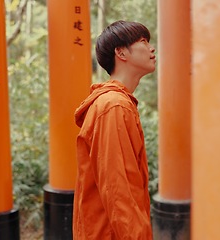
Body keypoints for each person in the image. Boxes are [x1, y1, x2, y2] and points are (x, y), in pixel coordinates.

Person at [73, 20, 156, 239]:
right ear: (121, 52)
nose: (151, 48)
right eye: (143, 41)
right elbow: (118, 190)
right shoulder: (113, 106)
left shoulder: (116, 103)